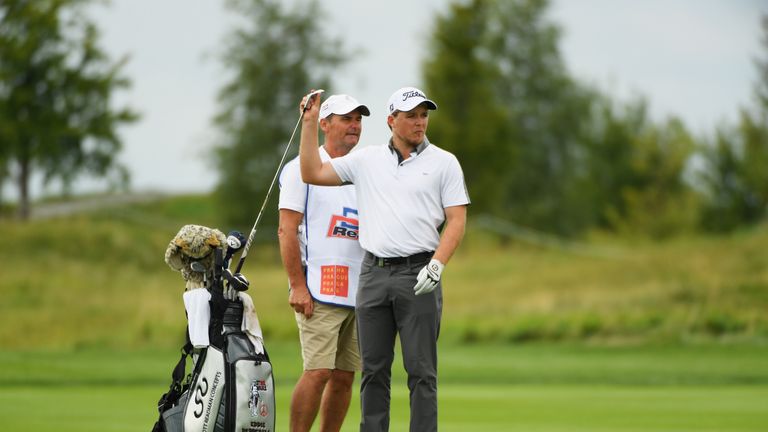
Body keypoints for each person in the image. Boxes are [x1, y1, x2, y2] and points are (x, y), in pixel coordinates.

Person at [298, 87, 469, 432]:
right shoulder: (367, 160)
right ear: (392, 121)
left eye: (424, 115)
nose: (420, 122)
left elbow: (457, 219)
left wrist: (437, 264)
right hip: (373, 274)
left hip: (419, 273)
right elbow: (312, 172)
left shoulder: (444, 162)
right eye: (411, 116)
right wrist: (309, 123)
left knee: (421, 371)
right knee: (373, 370)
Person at [278, 94, 370, 432]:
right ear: (324, 125)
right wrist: (298, 285)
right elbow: (286, 230)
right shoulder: (298, 169)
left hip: (359, 290)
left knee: (345, 376)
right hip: (318, 289)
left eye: (358, 120)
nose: (354, 126)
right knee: (317, 372)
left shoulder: (360, 171)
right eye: (346, 119)